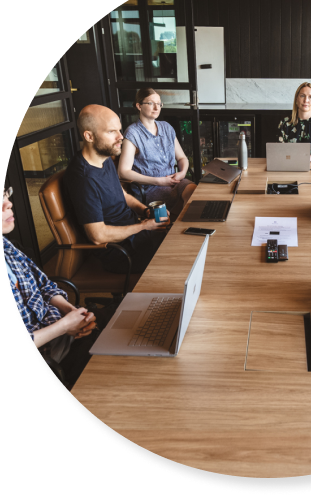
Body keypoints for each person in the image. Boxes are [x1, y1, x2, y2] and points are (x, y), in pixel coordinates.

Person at [2, 184, 97, 386]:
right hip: (46, 358)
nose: (8, 204)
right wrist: (64, 326)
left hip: (58, 333)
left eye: (5, 195)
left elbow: (44, 285)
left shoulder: (9, 246)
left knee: (117, 329)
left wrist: (69, 310)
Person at [64, 104, 170, 275]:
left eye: (119, 130)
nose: (121, 137)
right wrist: (143, 227)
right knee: (179, 259)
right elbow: (97, 235)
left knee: (185, 239)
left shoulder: (104, 158)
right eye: (111, 132)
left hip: (134, 236)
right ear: (89, 136)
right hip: (119, 252)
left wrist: (145, 210)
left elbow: (122, 194)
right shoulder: (83, 179)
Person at [118, 88, 192, 218]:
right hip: (151, 188)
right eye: (151, 103)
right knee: (181, 204)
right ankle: (173, 229)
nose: (156, 107)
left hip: (174, 182)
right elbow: (123, 172)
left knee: (194, 192)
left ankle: (179, 226)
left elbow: (182, 158)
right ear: (139, 106)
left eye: (159, 103)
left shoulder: (166, 127)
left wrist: (182, 173)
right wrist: (159, 181)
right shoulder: (133, 133)